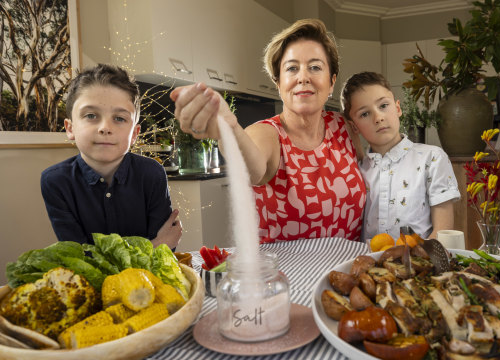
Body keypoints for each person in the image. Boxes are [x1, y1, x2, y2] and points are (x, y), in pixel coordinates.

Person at [171, 19, 365, 243]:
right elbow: (251, 168)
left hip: (351, 273)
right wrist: (229, 127)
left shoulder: (344, 127)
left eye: (315, 67)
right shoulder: (268, 134)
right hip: (289, 276)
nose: (303, 77)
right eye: (292, 68)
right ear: (278, 83)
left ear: (331, 83)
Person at [41, 64, 182, 249]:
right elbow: (77, 256)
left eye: (119, 118)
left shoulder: (152, 174)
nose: (105, 127)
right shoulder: (55, 181)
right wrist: (155, 244)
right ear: (70, 128)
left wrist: (160, 245)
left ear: (134, 134)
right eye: (91, 115)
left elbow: (166, 251)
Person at [341, 71, 460, 242]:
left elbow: (442, 234)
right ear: (354, 126)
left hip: (421, 263)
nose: (378, 118)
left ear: (397, 108)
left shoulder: (433, 158)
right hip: (369, 264)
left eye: (383, 106)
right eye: (365, 114)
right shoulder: (354, 171)